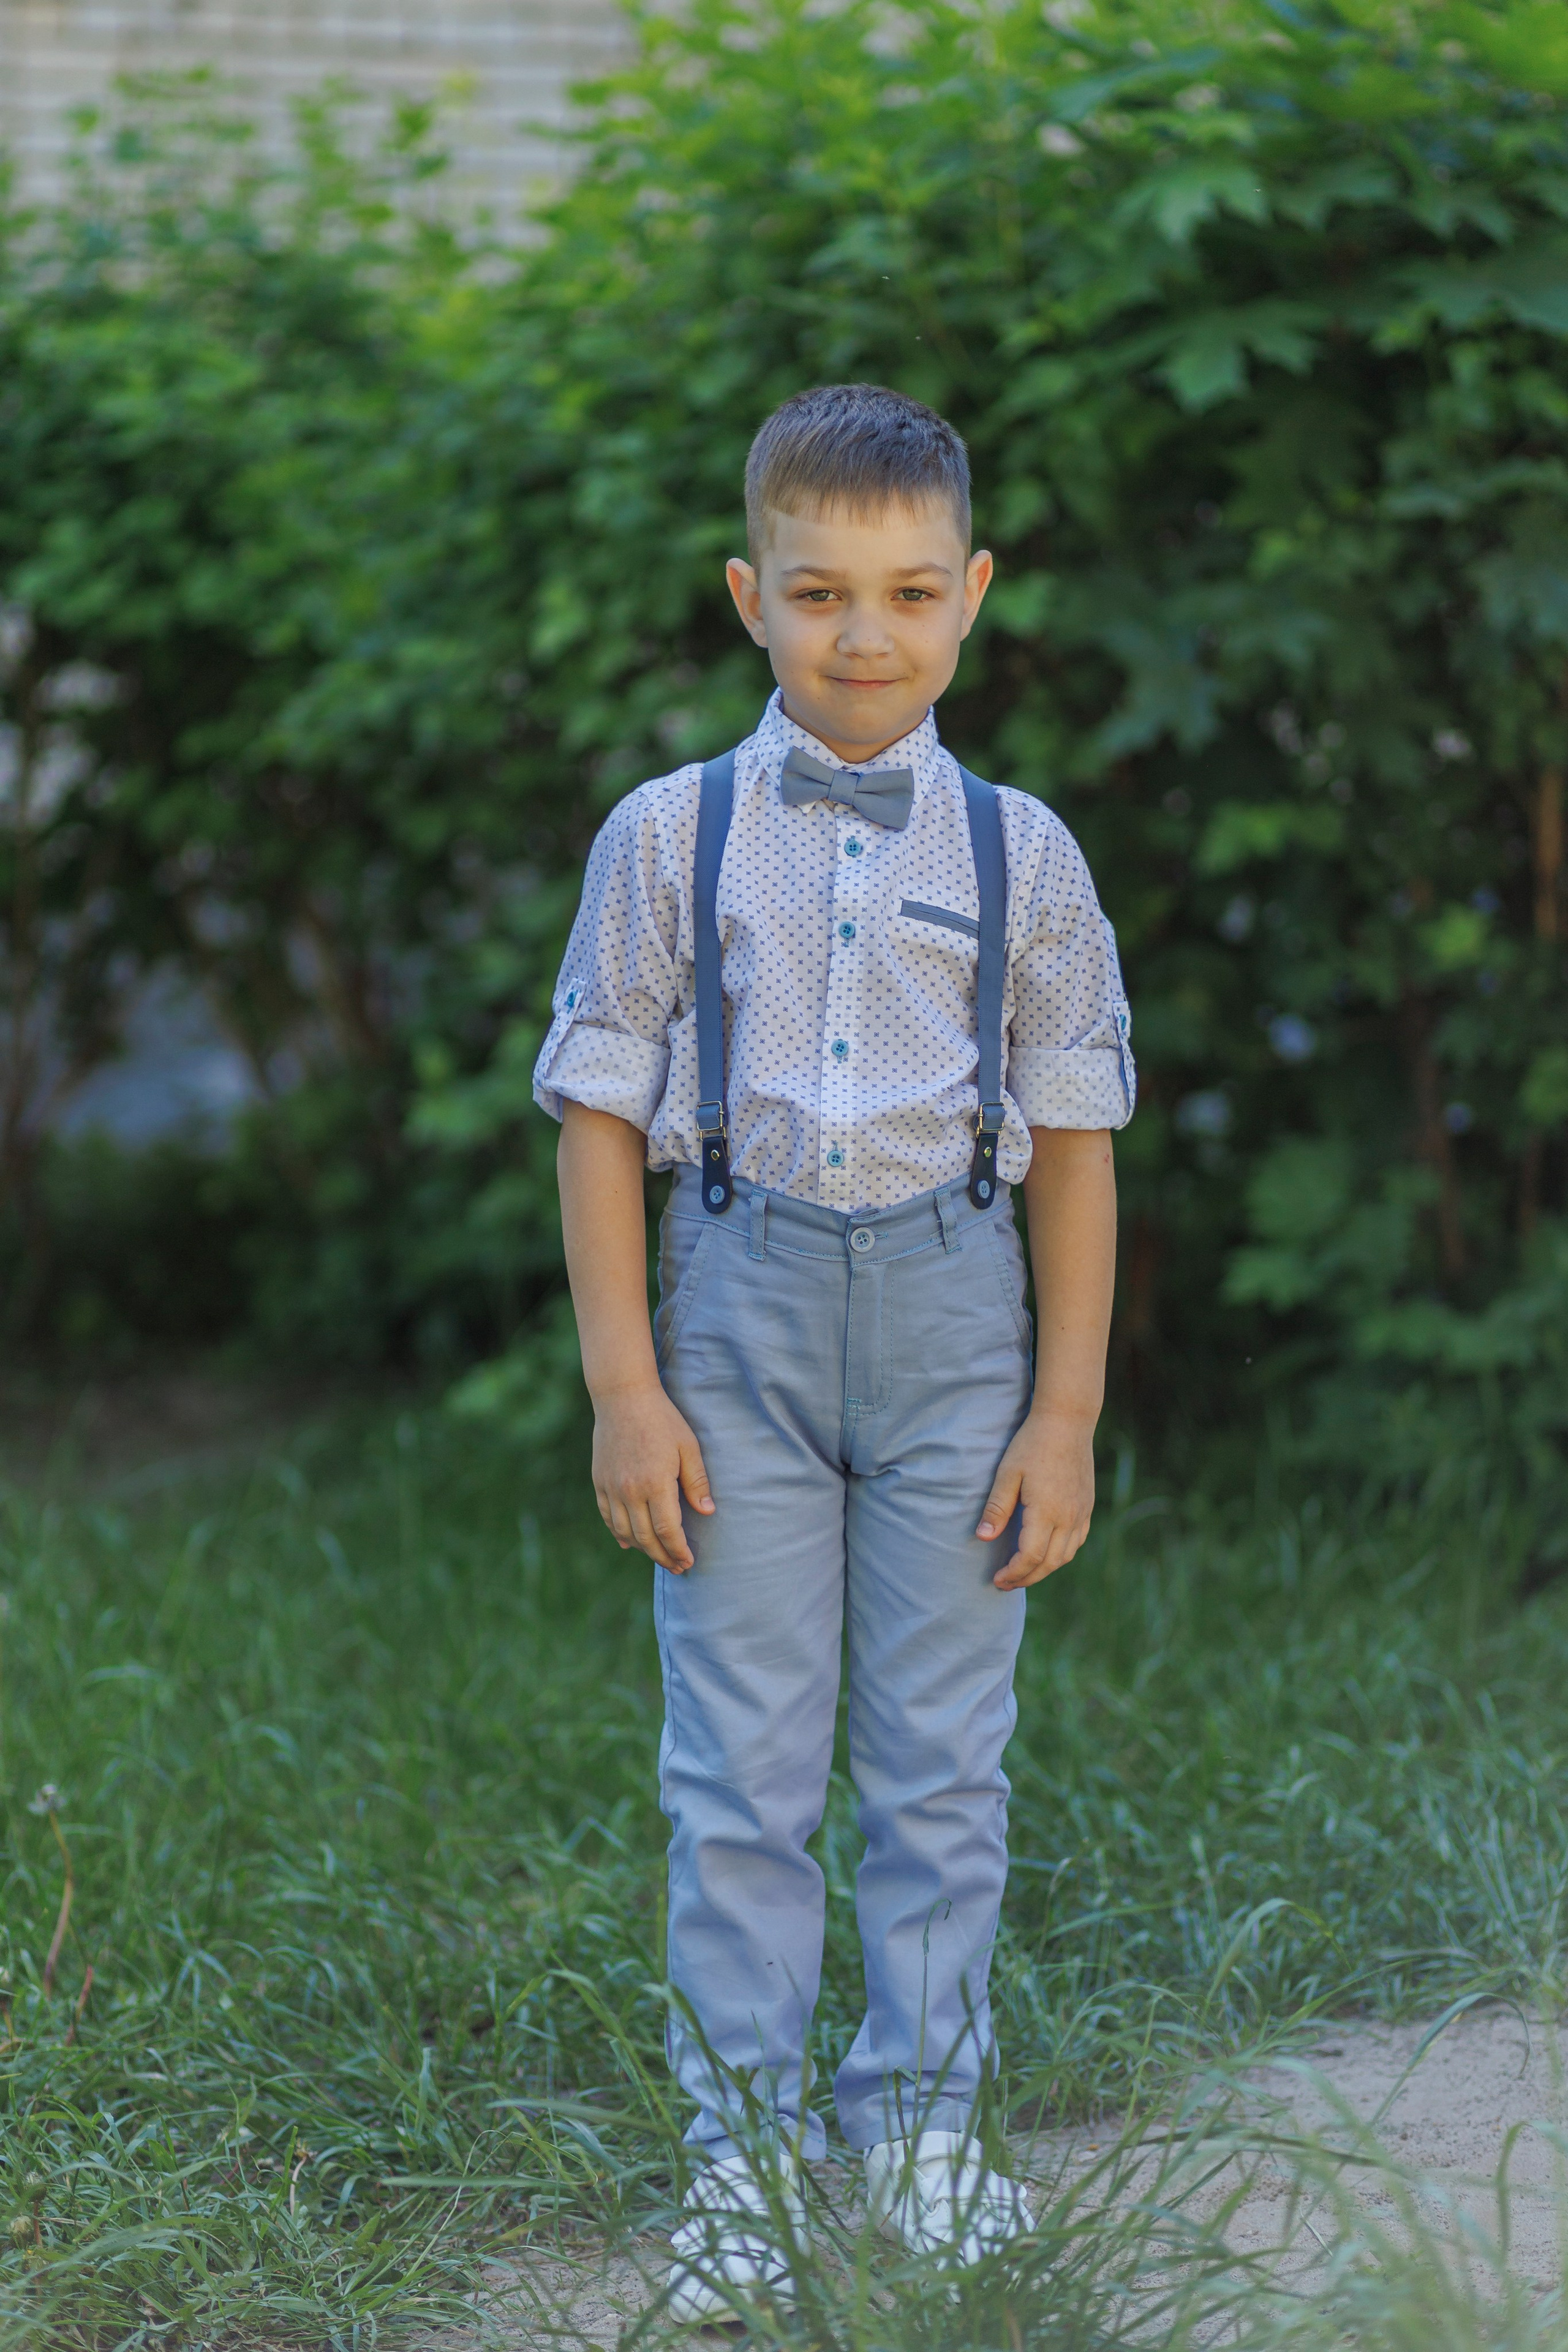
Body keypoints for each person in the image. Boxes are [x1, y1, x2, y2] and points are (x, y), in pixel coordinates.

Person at [534, 383, 1134, 2318]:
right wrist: (629, 1388)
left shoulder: (1026, 853)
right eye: (816, 593)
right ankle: (744, 2146)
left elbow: (1076, 1138)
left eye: (902, 593)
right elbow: (602, 1119)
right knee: (743, 1760)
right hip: (738, 1317)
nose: (860, 638)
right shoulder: (666, 835)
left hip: (962, 1319)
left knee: (944, 1757)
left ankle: (927, 2122)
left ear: (973, 596)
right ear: (748, 596)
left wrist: (1064, 1409)